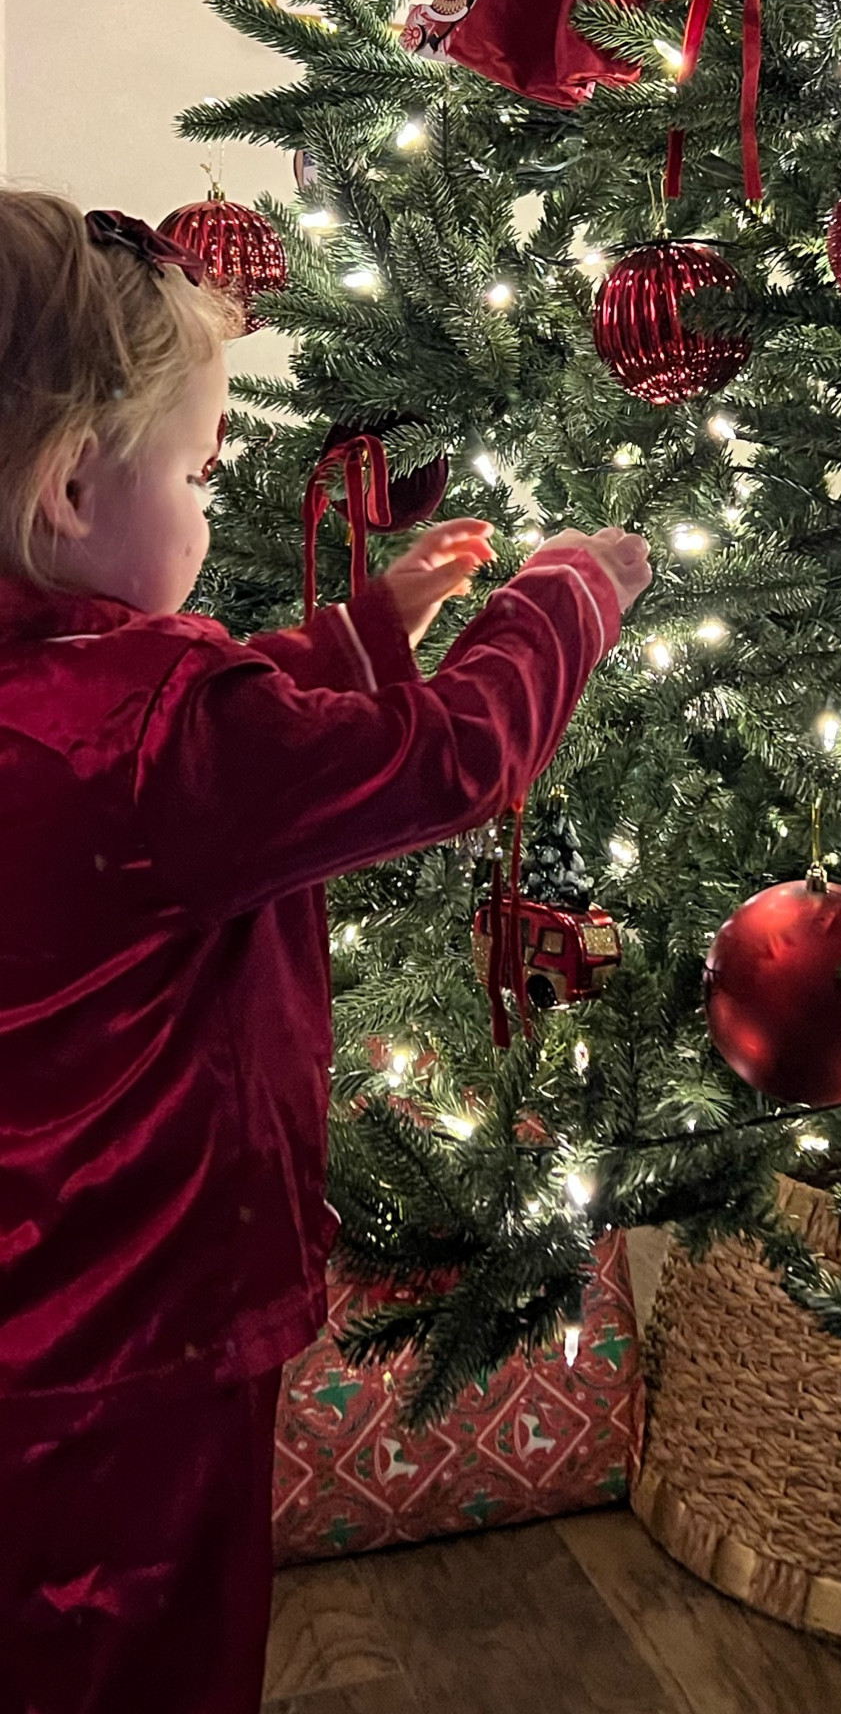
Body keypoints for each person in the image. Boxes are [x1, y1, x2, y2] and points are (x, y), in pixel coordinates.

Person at [0, 192, 650, 1713]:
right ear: (81, 489)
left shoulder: (101, 709)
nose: (214, 510)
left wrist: (360, 634)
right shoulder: (162, 724)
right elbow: (449, 764)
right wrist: (565, 596)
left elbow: (216, 770)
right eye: (200, 473)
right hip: (135, 1330)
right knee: (139, 1643)